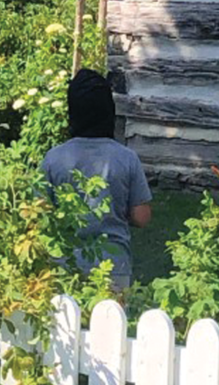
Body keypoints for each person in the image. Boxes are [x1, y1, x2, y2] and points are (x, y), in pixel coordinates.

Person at [42, 69, 152, 291]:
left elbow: (40, 213)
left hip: (64, 265)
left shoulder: (54, 158)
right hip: (114, 265)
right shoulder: (126, 157)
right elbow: (142, 217)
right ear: (108, 110)